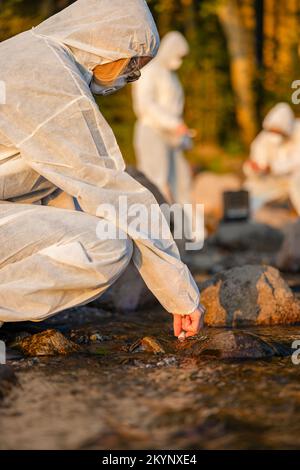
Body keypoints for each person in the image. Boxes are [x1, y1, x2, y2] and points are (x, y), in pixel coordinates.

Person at [0, 0, 204, 338]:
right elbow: (110, 190)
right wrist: (181, 295)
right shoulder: (50, 80)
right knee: (106, 245)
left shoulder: (25, 54)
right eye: (133, 65)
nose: (131, 78)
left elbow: (54, 190)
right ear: (111, 40)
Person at [132, 31, 193, 207]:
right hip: (152, 131)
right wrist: (174, 123)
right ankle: (156, 227)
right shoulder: (150, 71)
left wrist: (181, 133)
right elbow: (145, 104)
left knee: (181, 182)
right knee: (155, 180)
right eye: (178, 55)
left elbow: (174, 108)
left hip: (171, 136)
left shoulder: (171, 76)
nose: (179, 60)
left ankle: (186, 229)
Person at [244, 103, 300, 214]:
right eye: (273, 131)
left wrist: (273, 167)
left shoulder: (298, 131)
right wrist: (254, 169)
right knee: (249, 190)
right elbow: (257, 164)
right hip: (274, 181)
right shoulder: (262, 140)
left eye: (278, 131)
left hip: (294, 179)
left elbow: (297, 160)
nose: (275, 135)